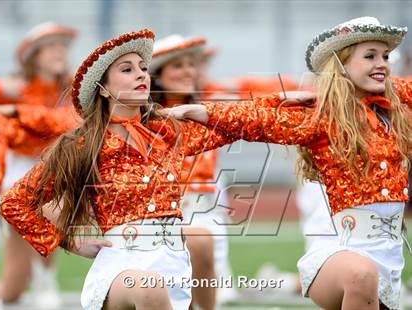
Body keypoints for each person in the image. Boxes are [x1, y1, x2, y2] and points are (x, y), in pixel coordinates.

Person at [165, 16, 411, 310]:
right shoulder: (322, 117)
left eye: (385, 56)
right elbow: (257, 120)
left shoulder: (396, 108)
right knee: (361, 275)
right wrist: (203, 111)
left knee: (368, 280)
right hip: (339, 255)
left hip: (389, 257)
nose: (381, 63)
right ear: (342, 65)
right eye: (369, 56)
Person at [0, 29, 239, 310]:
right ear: (103, 88)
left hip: (173, 267)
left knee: (191, 253)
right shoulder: (83, 143)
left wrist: (294, 104)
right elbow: (15, 203)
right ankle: (44, 281)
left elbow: (245, 122)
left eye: (144, 68)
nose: (141, 74)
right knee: (151, 289)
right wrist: (68, 240)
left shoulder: (168, 132)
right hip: (121, 270)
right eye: (127, 69)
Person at [0, 22, 77, 307]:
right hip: (16, 167)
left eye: (62, 46)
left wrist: (22, 111)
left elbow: (74, 124)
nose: (60, 52)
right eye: (51, 46)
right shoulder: (15, 89)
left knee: (48, 209)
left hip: (56, 166)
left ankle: (45, 279)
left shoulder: (73, 90)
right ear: (33, 55)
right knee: (11, 292)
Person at [150, 34, 237, 309]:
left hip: (207, 210)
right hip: (162, 213)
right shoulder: (145, 116)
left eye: (191, 64)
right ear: (158, 76)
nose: (188, 71)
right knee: (177, 291)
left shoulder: (211, 107)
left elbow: (259, 106)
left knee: (209, 294)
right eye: (177, 65)